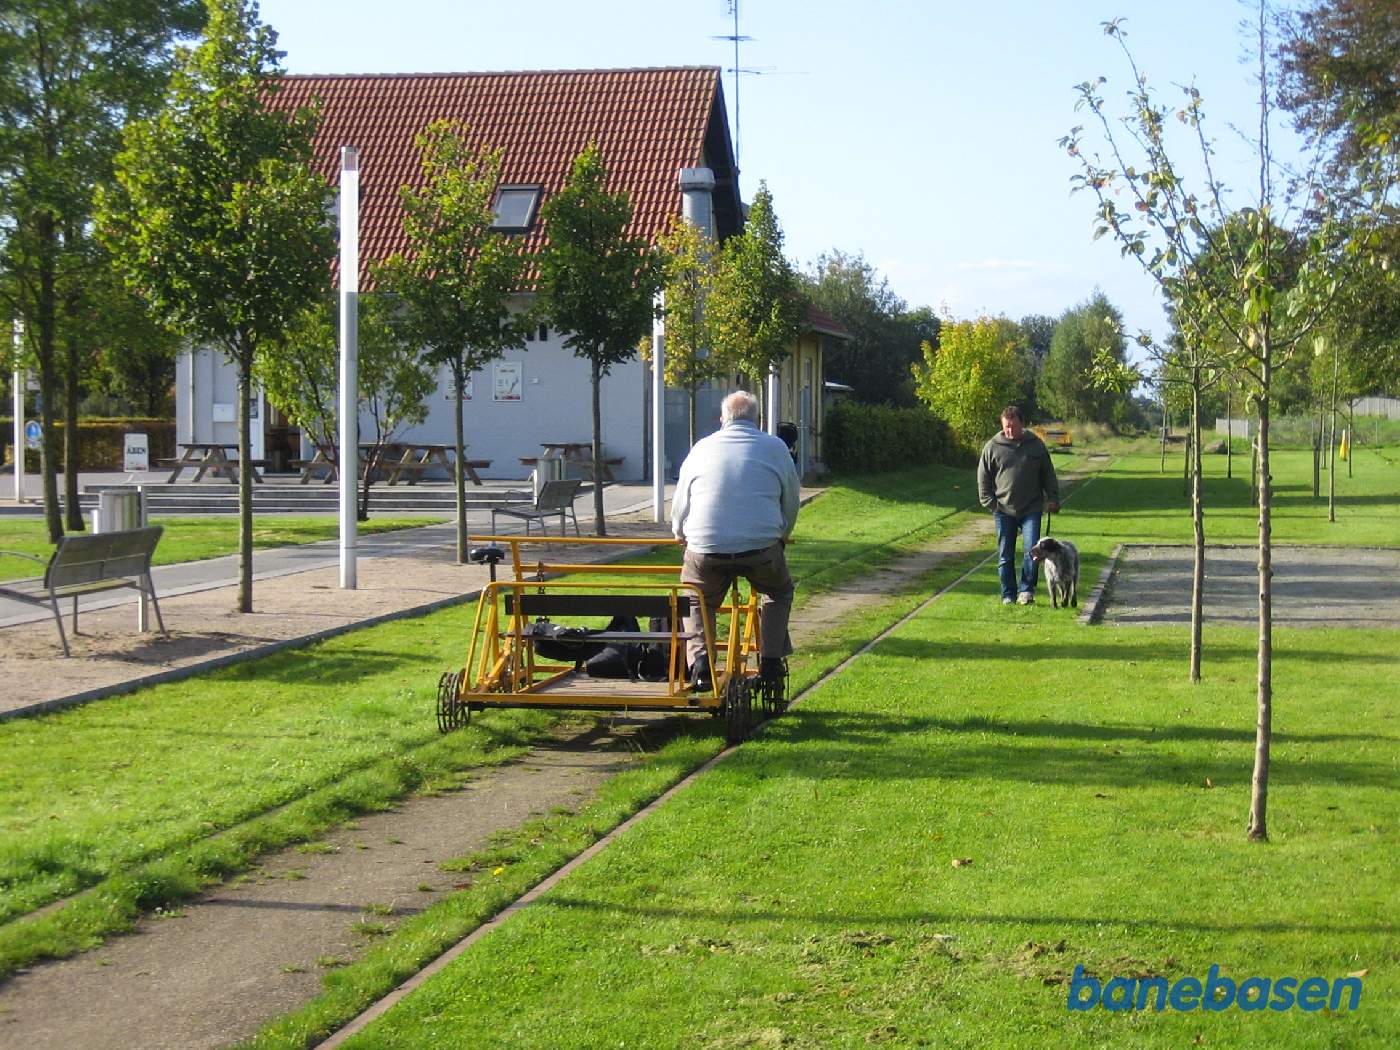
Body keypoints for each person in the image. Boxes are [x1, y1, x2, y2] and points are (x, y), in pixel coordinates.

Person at [671, 390, 800, 691]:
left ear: (722, 419)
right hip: (761, 549)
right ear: (757, 420)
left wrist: (679, 531)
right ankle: (769, 663)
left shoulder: (701, 448)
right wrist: (783, 531)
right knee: (778, 593)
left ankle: (701, 666)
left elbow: (681, 500)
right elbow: (791, 498)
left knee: (696, 599)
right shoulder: (775, 447)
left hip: (706, 548)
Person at [976, 404, 1060, 605]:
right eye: (1006, 427)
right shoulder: (992, 447)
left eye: (1013, 426)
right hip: (1003, 509)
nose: (1010, 430)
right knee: (1005, 555)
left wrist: (1053, 498)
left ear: (1022, 423)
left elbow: (1048, 474)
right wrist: (991, 504)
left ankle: (1026, 591)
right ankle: (1008, 594)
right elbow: (983, 479)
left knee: (1033, 551)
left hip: (1031, 507)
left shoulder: (1036, 445)